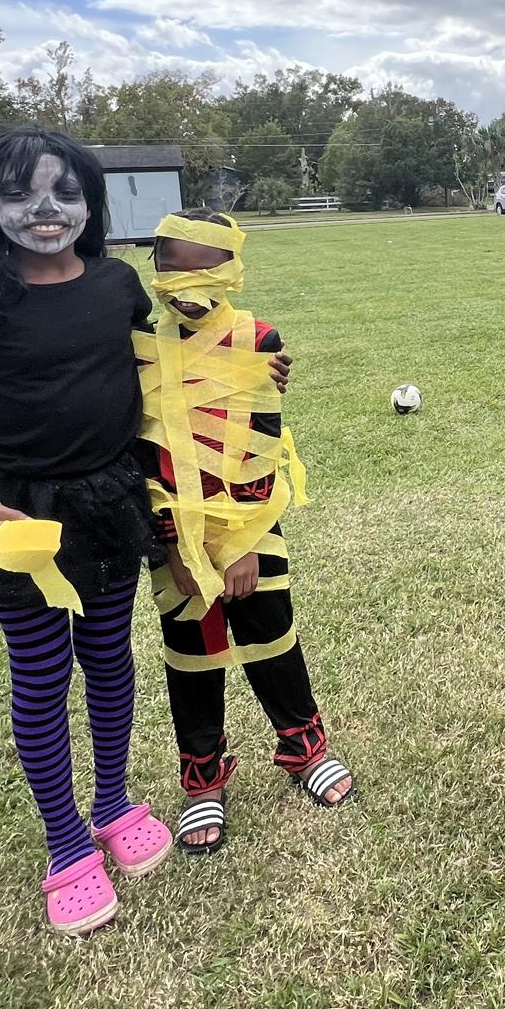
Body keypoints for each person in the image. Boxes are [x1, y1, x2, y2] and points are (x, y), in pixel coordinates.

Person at [0, 129, 172, 935]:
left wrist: (252, 373)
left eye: (65, 193)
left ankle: (113, 801)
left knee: (107, 657)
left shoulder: (117, 284)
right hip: (17, 511)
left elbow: (161, 380)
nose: (44, 210)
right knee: (39, 673)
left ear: (90, 203)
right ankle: (65, 844)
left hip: (110, 499)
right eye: (20, 193)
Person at [136, 209, 352, 854]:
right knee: (192, 652)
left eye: (205, 265)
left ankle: (304, 748)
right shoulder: (139, 340)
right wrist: (176, 544)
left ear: (229, 270)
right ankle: (203, 780)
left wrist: (243, 544)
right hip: (174, 531)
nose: (188, 280)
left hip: (253, 524)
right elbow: (144, 453)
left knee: (271, 634)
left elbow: (258, 445)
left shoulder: (259, 338)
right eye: (173, 265)